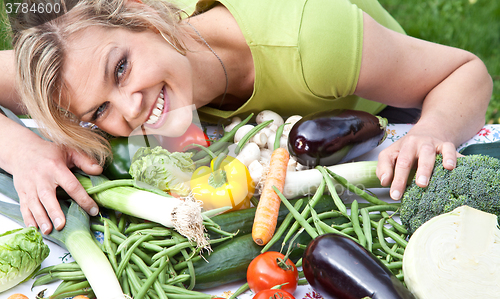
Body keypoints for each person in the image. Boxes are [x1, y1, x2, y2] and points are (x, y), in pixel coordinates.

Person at [0, 0, 492, 234]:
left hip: (378, 108)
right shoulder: (74, 49)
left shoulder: (309, 39)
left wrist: (430, 131)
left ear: (143, 14)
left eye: (122, 68)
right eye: (99, 110)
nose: (131, 110)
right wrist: (22, 148)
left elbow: (465, 72)